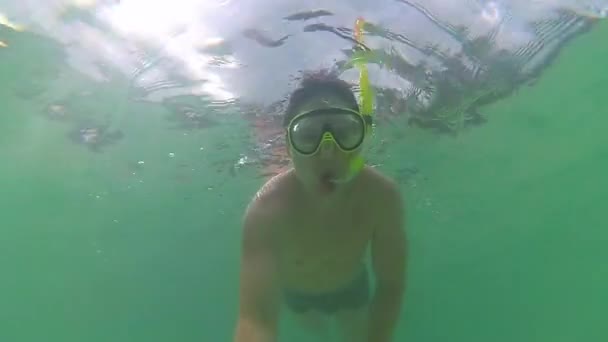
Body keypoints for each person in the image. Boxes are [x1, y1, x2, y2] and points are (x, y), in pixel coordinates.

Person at [233, 71, 407, 342]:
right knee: (316, 335)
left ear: (361, 138)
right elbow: (256, 319)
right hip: (300, 297)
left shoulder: (381, 197)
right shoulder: (266, 212)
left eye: (345, 132)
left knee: (356, 333)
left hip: (351, 290)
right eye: (308, 135)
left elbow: (391, 285)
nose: (327, 151)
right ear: (289, 147)